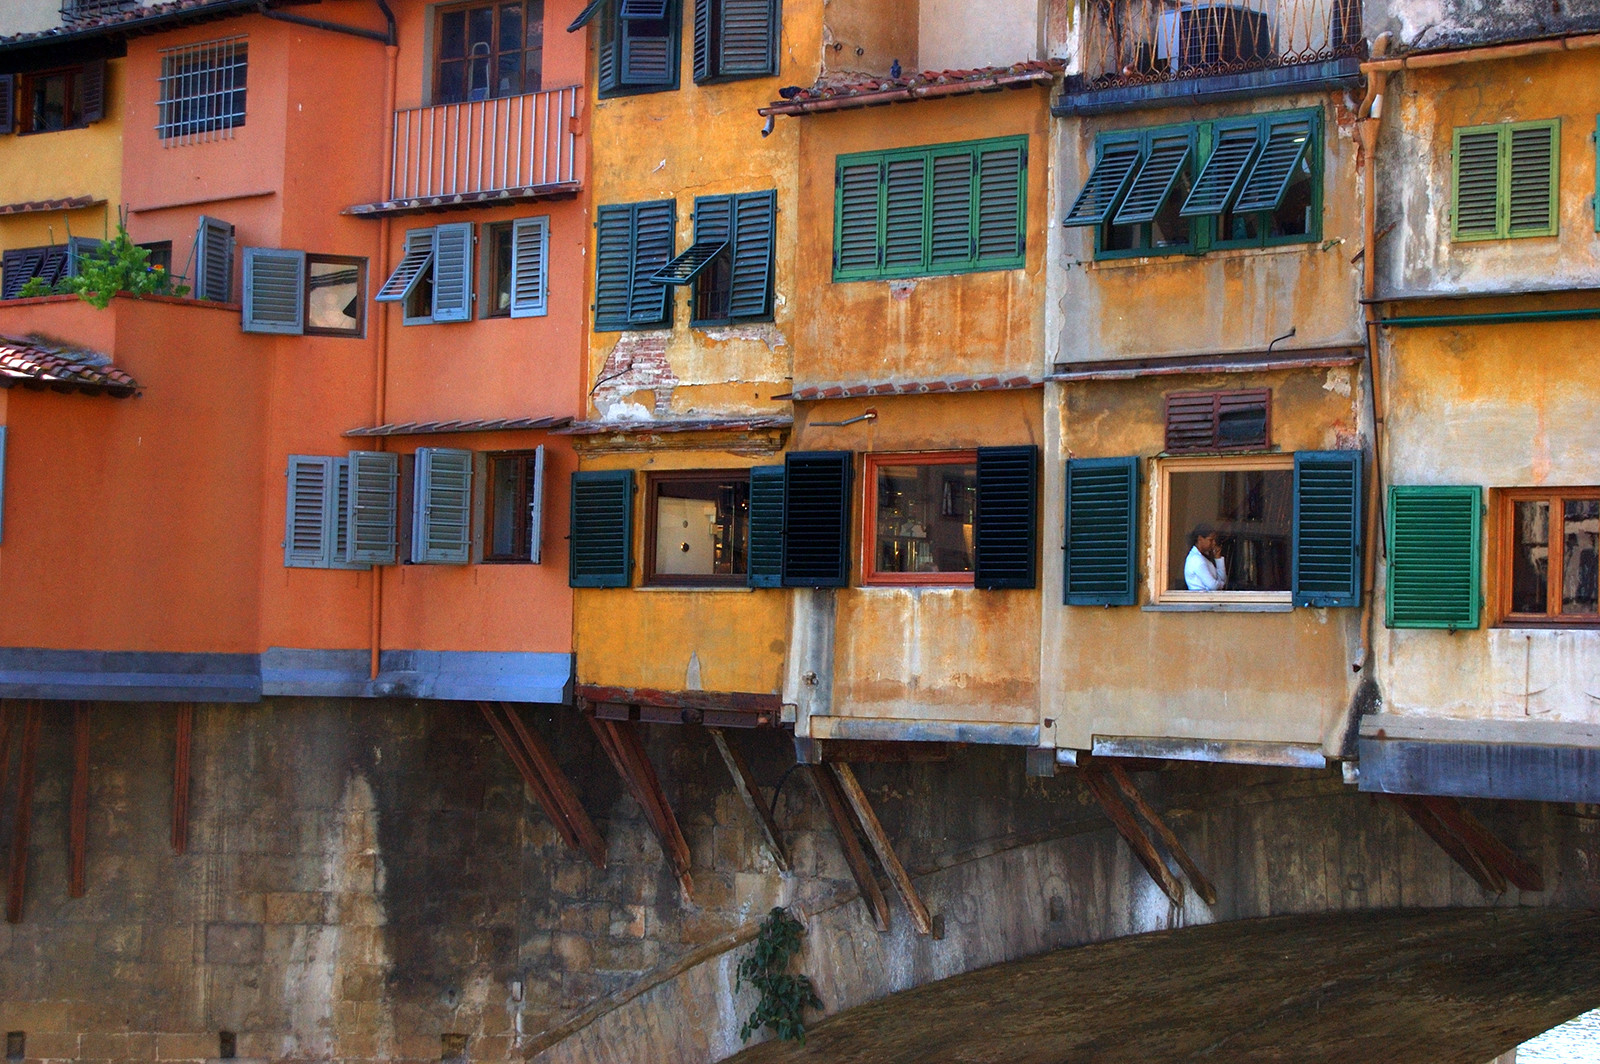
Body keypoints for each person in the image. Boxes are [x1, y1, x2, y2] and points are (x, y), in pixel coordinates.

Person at [1184, 523, 1227, 591]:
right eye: (1211, 540)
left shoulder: (1203, 557)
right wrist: (1221, 584)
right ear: (1200, 539)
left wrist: (1218, 558)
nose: (1214, 543)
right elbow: (1212, 586)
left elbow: (1222, 579)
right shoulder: (1196, 559)